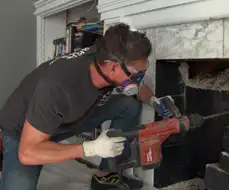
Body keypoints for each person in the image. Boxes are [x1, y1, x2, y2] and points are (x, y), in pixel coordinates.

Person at [0, 23, 173, 190]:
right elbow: (27, 152)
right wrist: (91, 148)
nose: (138, 78)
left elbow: (136, 86)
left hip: (71, 116)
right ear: (113, 68)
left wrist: (154, 100)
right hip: (23, 132)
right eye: (137, 74)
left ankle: (104, 175)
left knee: (128, 105)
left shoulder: (106, 55)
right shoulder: (59, 86)